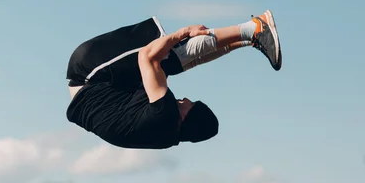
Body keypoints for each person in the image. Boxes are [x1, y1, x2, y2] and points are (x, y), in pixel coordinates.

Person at [65, 10, 281, 149]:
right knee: (173, 63)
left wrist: (183, 32)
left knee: (166, 55)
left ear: (188, 116)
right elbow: (190, 61)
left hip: (89, 71)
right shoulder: (166, 135)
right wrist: (240, 43)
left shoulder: (165, 115)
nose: (185, 99)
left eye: (191, 103)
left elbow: (147, 56)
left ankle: (254, 28)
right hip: (103, 89)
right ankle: (250, 39)